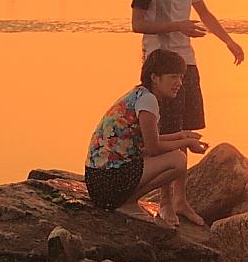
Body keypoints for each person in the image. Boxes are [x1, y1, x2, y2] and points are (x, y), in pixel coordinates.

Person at [133, 0, 245, 137]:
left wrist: (229, 42)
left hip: (187, 61)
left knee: (187, 127)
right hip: (160, 63)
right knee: (166, 128)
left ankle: (182, 171)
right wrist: (178, 26)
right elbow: (137, 24)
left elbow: (204, 13)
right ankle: (171, 169)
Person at [85, 49, 206, 223]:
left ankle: (126, 200)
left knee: (175, 155)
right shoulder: (148, 101)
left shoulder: (140, 94)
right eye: (173, 77)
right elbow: (153, 147)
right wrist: (185, 142)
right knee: (178, 160)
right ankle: (127, 202)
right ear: (155, 78)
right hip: (107, 182)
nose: (179, 83)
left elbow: (148, 139)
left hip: (99, 180)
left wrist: (182, 135)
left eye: (180, 77)